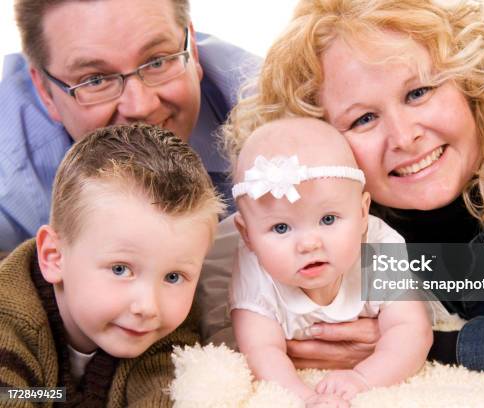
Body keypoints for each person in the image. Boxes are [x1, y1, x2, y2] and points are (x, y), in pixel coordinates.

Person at [221, 0, 484, 382]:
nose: (405, 138)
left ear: (472, 76)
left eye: (418, 93)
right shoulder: (342, 220)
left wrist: (433, 346)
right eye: (364, 118)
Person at [0, 0, 259, 251]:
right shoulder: (9, 179)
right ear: (45, 92)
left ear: (193, 47)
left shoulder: (272, 113)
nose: (140, 107)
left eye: (157, 61)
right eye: (95, 80)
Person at [0, 123, 224, 406]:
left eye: (174, 277)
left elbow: (160, 393)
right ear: (54, 256)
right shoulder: (10, 315)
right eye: (121, 269)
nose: (148, 306)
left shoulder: (166, 325)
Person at [230, 117, 436, 406]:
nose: (308, 244)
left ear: (363, 213)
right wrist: (304, 397)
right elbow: (260, 350)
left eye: (328, 219)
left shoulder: (378, 247)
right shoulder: (255, 268)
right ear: (248, 235)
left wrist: (363, 378)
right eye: (281, 228)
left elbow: (412, 330)